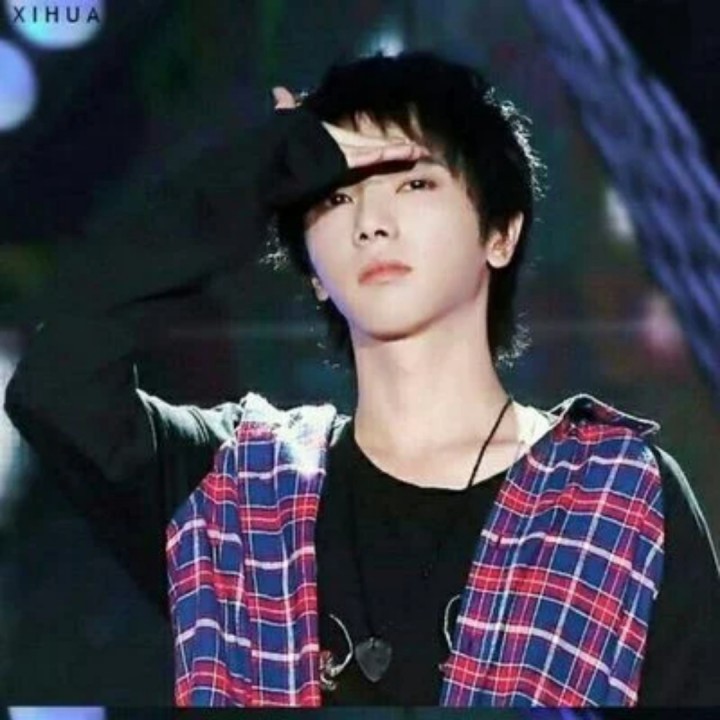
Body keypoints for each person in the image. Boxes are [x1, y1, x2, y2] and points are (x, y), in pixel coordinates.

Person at [4, 50, 720, 708]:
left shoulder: (617, 495)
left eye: (414, 181)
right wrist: (250, 174)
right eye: (337, 194)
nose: (372, 222)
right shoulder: (231, 484)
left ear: (500, 233)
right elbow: (58, 382)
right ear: (313, 272)